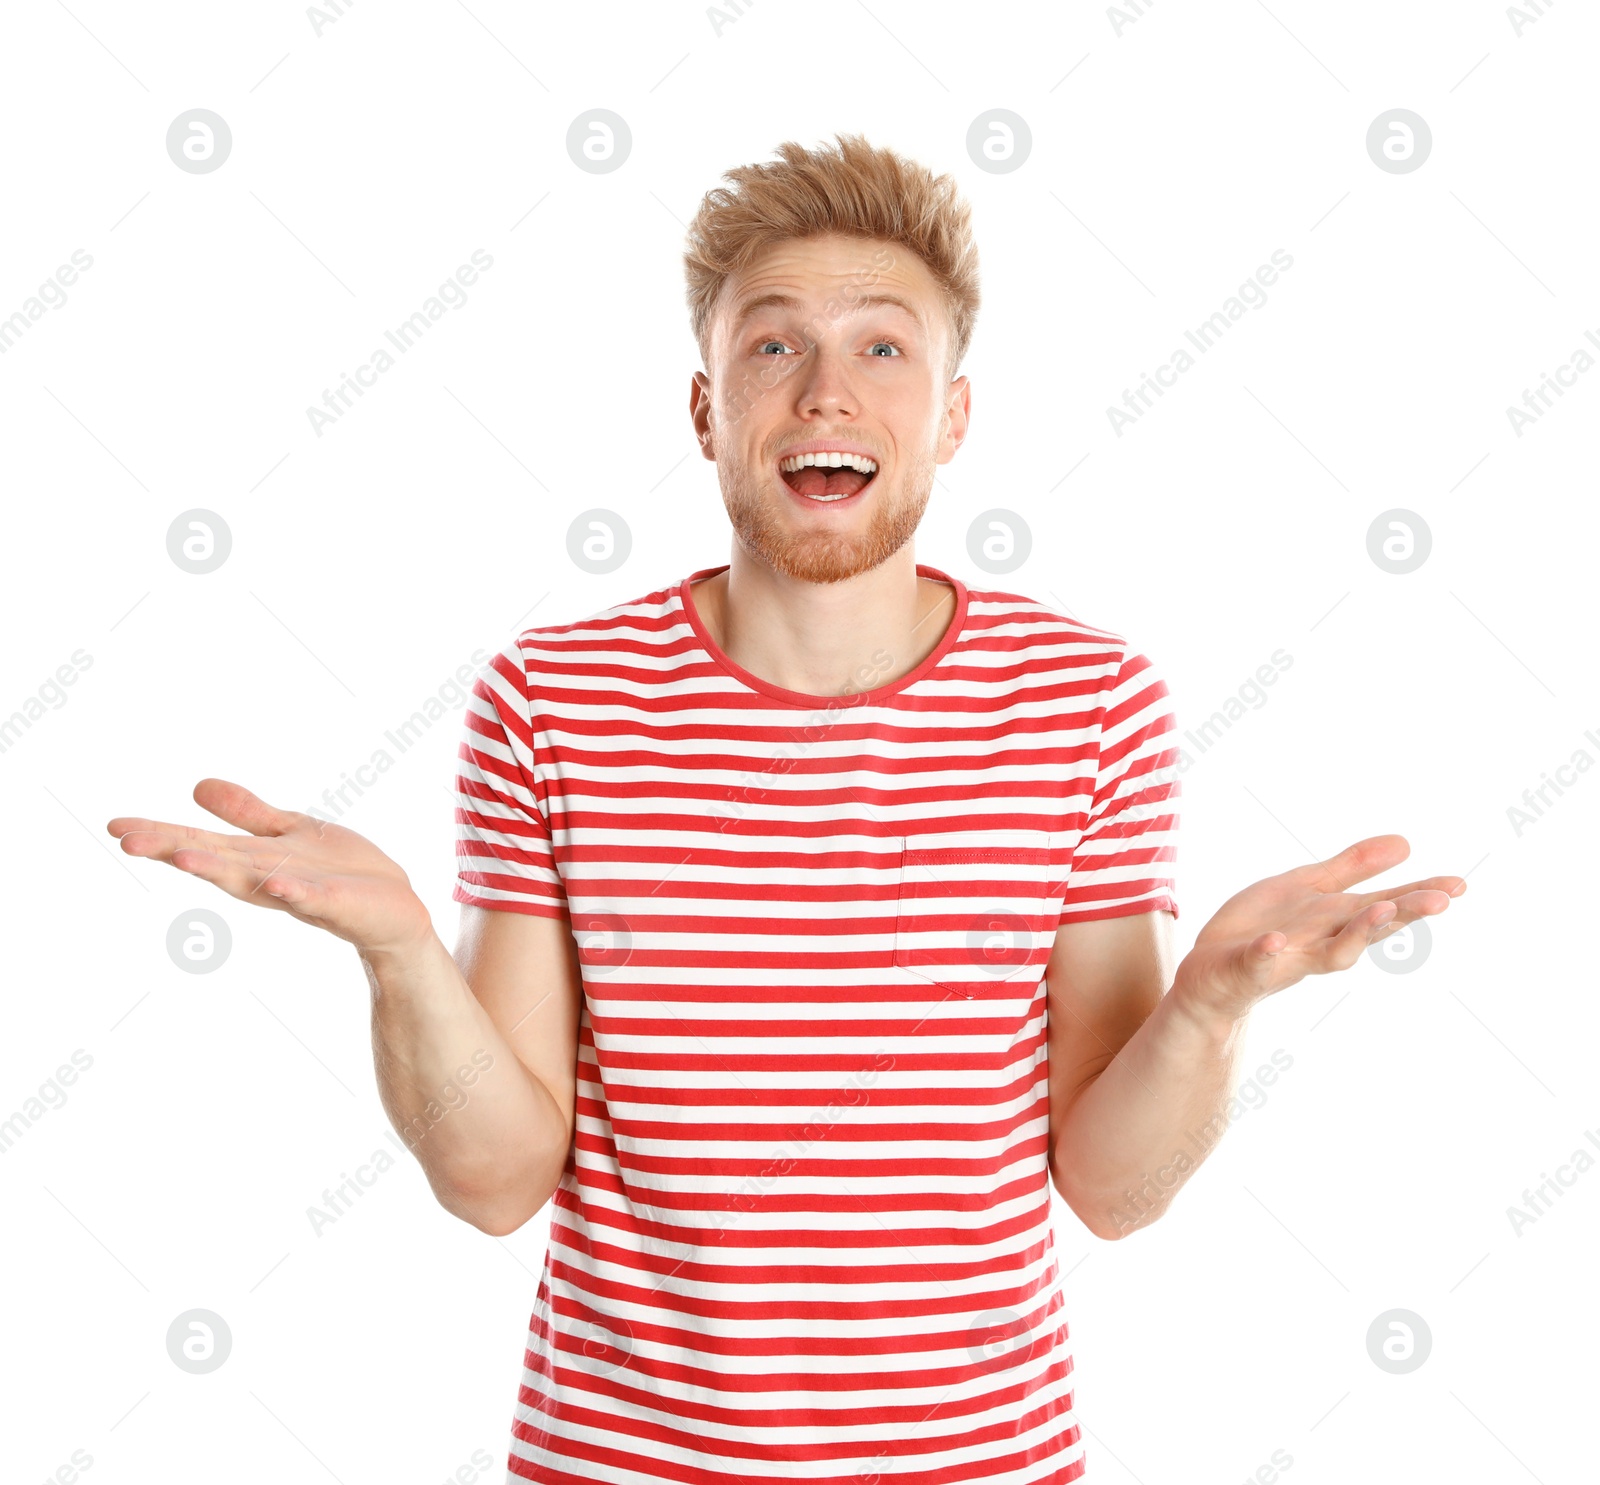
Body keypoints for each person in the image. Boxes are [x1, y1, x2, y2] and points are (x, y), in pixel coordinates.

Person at [108, 133, 1466, 1484]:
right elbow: (495, 1180)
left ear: (952, 415)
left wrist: (1211, 1005)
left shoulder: (1089, 701)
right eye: (772, 347)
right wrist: (402, 954)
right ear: (705, 409)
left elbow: (1111, 1192)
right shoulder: (552, 698)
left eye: (884, 348)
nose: (827, 392)